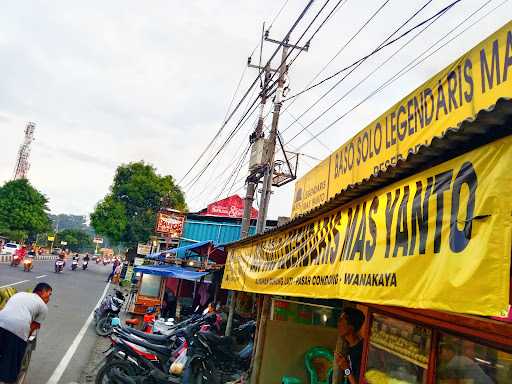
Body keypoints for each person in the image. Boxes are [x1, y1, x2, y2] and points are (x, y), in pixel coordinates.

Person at [0, 283, 52, 383]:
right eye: (49, 294)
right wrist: (24, 342)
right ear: (41, 291)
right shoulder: (43, 307)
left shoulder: (19, 294)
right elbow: (33, 327)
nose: (49, 297)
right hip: (18, 330)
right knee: (10, 366)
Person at [334, 307, 365, 384]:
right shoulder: (344, 345)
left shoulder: (361, 351)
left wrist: (346, 369)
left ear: (351, 327)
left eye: (341, 321)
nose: (338, 323)